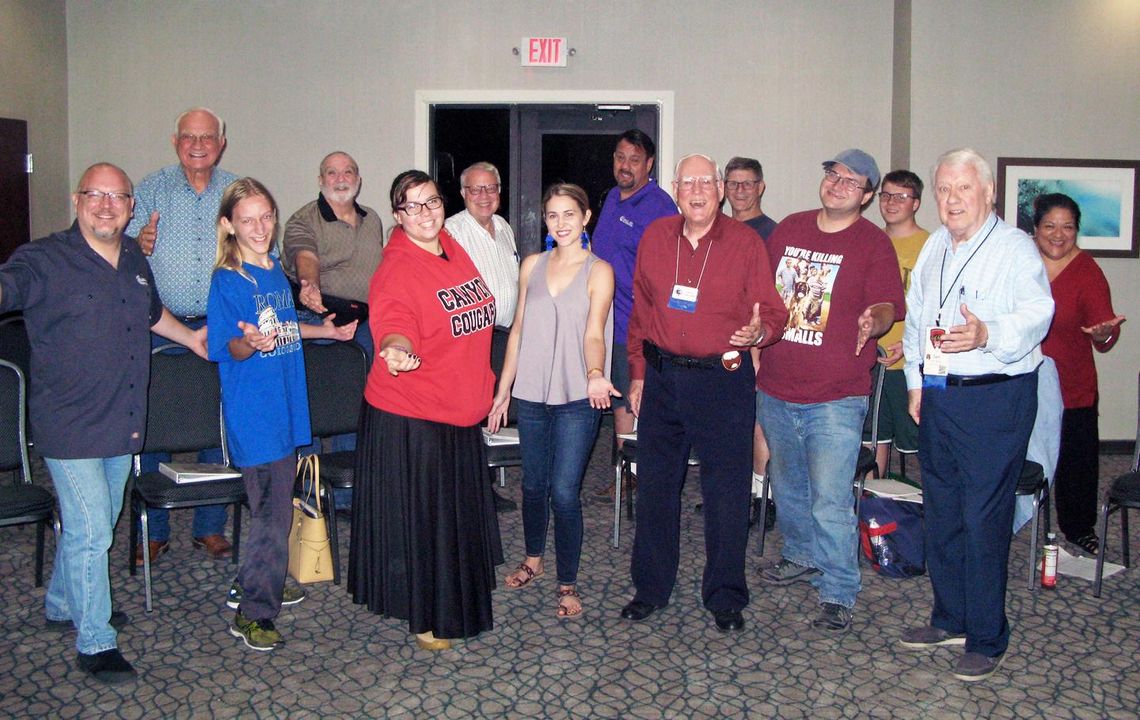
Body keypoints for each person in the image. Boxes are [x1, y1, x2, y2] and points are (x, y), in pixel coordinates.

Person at [0, 163, 207, 683]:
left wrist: (191, 339)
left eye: (118, 196)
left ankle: (62, 603)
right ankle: (95, 641)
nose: (106, 204)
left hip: (122, 417)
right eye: (95, 194)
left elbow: (151, 312)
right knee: (93, 529)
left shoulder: (135, 255)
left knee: (99, 519)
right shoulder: (43, 258)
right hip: (68, 424)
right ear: (77, 199)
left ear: (131, 206)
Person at [900, 148, 1054, 682]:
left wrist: (987, 332)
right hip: (942, 392)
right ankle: (951, 616)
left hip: (997, 396)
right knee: (941, 509)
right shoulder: (935, 247)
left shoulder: (1015, 249)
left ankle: (988, 636)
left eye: (963, 188)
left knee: (982, 517)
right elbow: (919, 317)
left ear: (988, 194)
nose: (952, 199)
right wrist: (918, 385)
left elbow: (1038, 314)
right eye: (944, 189)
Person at [620, 154, 786, 633]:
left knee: (727, 492)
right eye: (687, 181)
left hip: (722, 381)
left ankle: (726, 595)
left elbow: (774, 314)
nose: (696, 189)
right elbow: (642, 314)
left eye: (705, 181)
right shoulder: (655, 237)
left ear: (718, 188)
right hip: (663, 379)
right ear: (675, 187)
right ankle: (650, 588)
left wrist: (758, 332)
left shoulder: (746, 242)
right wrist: (637, 373)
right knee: (655, 488)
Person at [348, 170, 503, 651]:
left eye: (431, 201)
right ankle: (425, 616)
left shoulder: (451, 248)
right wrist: (394, 348)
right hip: (413, 416)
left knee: (449, 522)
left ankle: (447, 603)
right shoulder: (396, 266)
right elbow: (393, 321)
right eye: (412, 206)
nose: (425, 213)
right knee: (427, 525)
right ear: (397, 215)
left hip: (456, 411)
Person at [756, 149, 904, 635]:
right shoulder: (791, 229)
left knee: (830, 498)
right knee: (789, 485)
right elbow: (761, 291)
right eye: (833, 175)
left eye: (851, 181)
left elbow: (887, 306)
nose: (838, 184)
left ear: (866, 196)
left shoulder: (872, 243)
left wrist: (874, 320)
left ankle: (839, 589)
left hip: (837, 395)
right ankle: (800, 555)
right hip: (776, 384)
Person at [209, 178, 356, 651]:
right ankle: (254, 610)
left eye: (266, 217)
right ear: (229, 225)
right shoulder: (227, 280)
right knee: (272, 514)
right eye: (247, 219)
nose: (259, 227)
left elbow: (286, 327)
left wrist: (325, 334)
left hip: (287, 405)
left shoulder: (273, 271)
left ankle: (253, 579)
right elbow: (225, 347)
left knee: (276, 505)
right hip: (255, 414)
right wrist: (247, 344)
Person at [488, 183, 616, 619]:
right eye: (552, 215)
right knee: (532, 484)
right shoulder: (532, 266)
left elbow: (595, 331)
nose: (559, 223)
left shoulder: (599, 270)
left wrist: (596, 374)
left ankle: (568, 581)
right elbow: (519, 331)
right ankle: (533, 560)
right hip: (532, 392)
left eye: (568, 214)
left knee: (564, 491)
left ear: (585, 218)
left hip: (579, 394)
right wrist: (503, 390)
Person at [126, 106, 239, 564]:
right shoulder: (149, 188)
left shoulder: (235, 190)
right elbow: (113, 249)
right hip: (158, 323)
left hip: (218, 322)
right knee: (154, 422)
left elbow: (261, 246)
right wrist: (137, 244)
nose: (198, 145)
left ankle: (209, 526)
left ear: (221, 143)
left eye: (207, 137)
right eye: (189, 137)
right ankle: (153, 529)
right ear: (175, 141)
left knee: (217, 420)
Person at [1032, 193, 1124, 555]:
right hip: (1022, 381)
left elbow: (1104, 328)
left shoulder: (1087, 271)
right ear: (1035, 228)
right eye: (1050, 226)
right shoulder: (1020, 263)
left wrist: (1104, 333)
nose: (1058, 234)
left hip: (1073, 385)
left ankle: (1078, 526)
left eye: (1067, 227)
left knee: (1076, 461)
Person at [590, 130, 678, 493]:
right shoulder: (611, 197)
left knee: (630, 399)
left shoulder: (660, 206)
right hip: (602, 322)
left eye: (634, 159)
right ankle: (623, 472)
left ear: (650, 164)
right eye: (620, 157)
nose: (625, 166)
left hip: (633, 324)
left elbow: (667, 272)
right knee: (616, 399)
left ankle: (634, 476)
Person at [444, 161, 521, 512]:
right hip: (471, 339)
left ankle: (483, 485)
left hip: (503, 336)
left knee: (491, 410)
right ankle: (471, 492)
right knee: (472, 413)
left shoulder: (503, 227)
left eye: (490, 188)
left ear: (499, 192)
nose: (483, 196)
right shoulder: (450, 232)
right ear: (463, 194)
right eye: (475, 189)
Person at [282, 151, 384, 357]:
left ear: (358, 180)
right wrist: (310, 284)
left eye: (348, 172)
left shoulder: (372, 218)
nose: (341, 178)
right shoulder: (303, 220)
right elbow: (305, 255)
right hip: (323, 319)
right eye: (332, 173)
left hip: (369, 319)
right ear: (320, 180)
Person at [863, 170, 930, 477]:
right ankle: (876, 509)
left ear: (915, 203)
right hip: (872, 360)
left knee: (918, 444)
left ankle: (926, 513)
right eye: (886, 195)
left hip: (911, 363)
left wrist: (910, 345)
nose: (890, 203)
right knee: (874, 438)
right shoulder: (870, 241)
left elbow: (937, 310)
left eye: (900, 197)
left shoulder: (930, 246)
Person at [724, 156, 778, 241]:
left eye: (747, 184)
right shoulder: (718, 231)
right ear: (725, 189)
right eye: (733, 184)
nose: (740, 190)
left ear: (760, 188)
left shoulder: (773, 234)